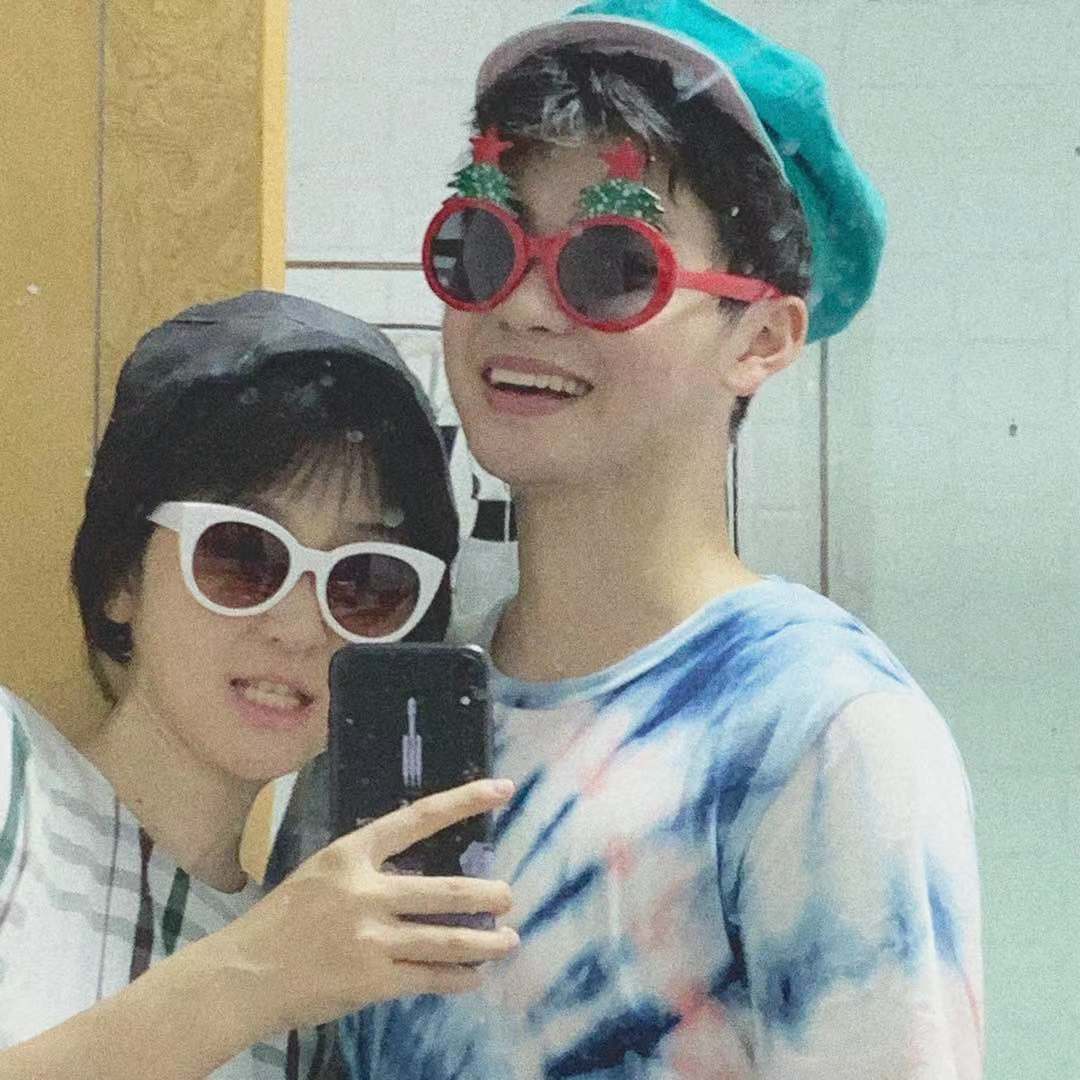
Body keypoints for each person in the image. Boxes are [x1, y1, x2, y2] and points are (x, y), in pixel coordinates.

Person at [337, 2, 984, 1077]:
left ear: (761, 337)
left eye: (611, 265)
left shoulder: (820, 732)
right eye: (484, 244)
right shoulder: (419, 695)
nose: (524, 308)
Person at [0, 291, 519, 1079]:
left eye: (366, 584)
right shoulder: (12, 782)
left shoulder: (310, 1013)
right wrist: (253, 977)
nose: (301, 627)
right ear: (122, 578)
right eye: (241, 555)